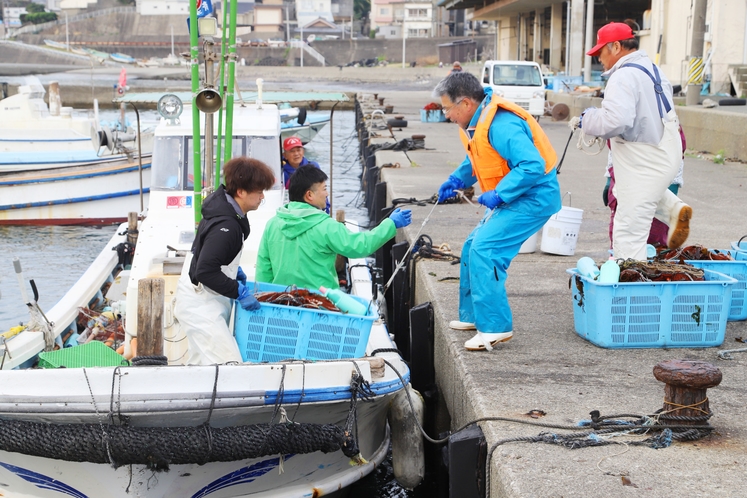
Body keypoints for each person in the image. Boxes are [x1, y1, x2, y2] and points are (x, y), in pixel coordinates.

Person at [434, 72, 561, 351]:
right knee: (471, 247)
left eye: (447, 108)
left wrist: (500, 194)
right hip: (515, 196)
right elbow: (477, 158)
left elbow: (532, 166)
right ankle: (473, 317)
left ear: (465, 103)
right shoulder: (476, 122)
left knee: (485, 249)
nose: (446, 115)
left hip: (534, 197)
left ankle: (495, 327)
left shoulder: (502, 124)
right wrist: (457, 179)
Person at [578, 21, 692, 260]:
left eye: (601, 52)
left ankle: (628, 288)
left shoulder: (623, 76)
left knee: (628, 232)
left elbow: (615, 122)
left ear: (616, 46)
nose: (599, 58)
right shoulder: (653, 69)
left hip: (643, 159)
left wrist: (587, 118)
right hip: (665, 154)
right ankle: (672, 208)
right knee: (631, 194)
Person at [174, 156, 276, 365]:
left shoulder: (225, 211)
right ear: (241, 192)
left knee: (201, 364)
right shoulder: (228, 225)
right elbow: (205, 271)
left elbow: (206, 252)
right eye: (258, 192)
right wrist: (238, 291)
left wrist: (232, 269)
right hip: (201, 304)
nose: (261, 197)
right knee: (229, 366)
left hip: (205, 299)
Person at [256, 166, 412, 290]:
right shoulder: (326, 226)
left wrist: (267, 299)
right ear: (309, 195)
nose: (327, 193)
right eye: (324, 189)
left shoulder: (272, 224)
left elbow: (263, 271)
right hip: (321, 306)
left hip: (283, 304)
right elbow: (361, 245)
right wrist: (390, 224)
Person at [604, 125, 687, 248]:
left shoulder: (625, 113)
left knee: (625, 230)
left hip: (630, 169)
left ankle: (622, 261)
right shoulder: (669, 118)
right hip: (659, 167)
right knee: (654, 233)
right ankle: (673, 207)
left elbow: (612, 130)